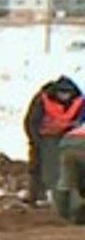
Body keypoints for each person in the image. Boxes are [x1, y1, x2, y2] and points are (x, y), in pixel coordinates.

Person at [20, 74, 82, 205]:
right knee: (38, 164)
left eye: (67, 93)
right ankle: (35, 194)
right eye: (61, 93)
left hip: (65, 134)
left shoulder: (79, 102)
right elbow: (31, 121)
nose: (64, 96)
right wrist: (35, 140)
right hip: (42, 134)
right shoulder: (42, 99)